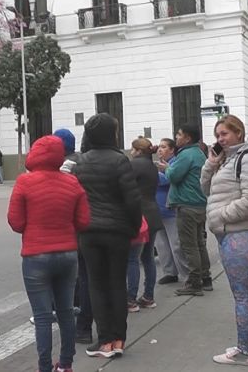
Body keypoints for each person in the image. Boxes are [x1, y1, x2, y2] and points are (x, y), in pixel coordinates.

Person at [8, 135, 90, 372]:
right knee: (65, 312)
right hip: (67, 254)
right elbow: (83, 221)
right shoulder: (72, 183)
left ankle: (44, 366)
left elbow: (15, 222)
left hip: (36, 256)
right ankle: (66, 364)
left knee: (43, 316)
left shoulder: (24, 182)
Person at [71, 114, 142, 358]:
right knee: (117, 284)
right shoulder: (120, 161)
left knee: (96, 285)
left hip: (89, 233)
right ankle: (119, 339)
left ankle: (104, 342)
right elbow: (132, 200)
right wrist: (133, 227)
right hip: (118, 232)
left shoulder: (81, 163)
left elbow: (76, 200)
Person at [200, 115, 248, 366]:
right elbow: (205, 190)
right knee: (242, 294)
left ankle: (246, 351)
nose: (220, 139)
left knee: (242, 296)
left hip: (241, 235)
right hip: (229, 233)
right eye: (217, 135)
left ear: (239, 133)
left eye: (225, 134)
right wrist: (210, 164)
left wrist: (219, 217)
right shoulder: (227, 159)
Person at [159, 123, 212, 296]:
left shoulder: (186, 154)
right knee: (199, 243)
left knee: (189, 245)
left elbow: (174, 176)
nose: (176, 137)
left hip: (186, 204)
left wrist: (166, 168)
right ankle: (206, 278)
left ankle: (194, 282)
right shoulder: (198, 153)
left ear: (187, 138)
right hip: (198, 203)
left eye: (179, 134)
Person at [52, 128, 93, 344]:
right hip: (88, 224)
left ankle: (73, 312)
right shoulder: (84, 160)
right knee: (84, 274)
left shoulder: (63, 167)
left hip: (70, 228)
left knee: (75, 273)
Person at [126, 138, 163, 311]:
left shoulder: (135, 165)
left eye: (133, 149)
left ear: (138, 151)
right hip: (153, 212)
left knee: (132, 258)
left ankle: (130, 299)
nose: (131, 152)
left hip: (139, 215)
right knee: (147, 257)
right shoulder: (151, 166)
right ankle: (148, 296)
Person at [154, 138, 189, 285]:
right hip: (158, 210)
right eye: (159, 147)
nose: (160, 150)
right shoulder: (159, 165)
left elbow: (167, 179)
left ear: (171, 150)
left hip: (171, 210)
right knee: (162, 245)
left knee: (177, 244)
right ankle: (169, 272)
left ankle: (187, 274)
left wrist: (154, 174)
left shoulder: (174, 163)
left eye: (164, 147)